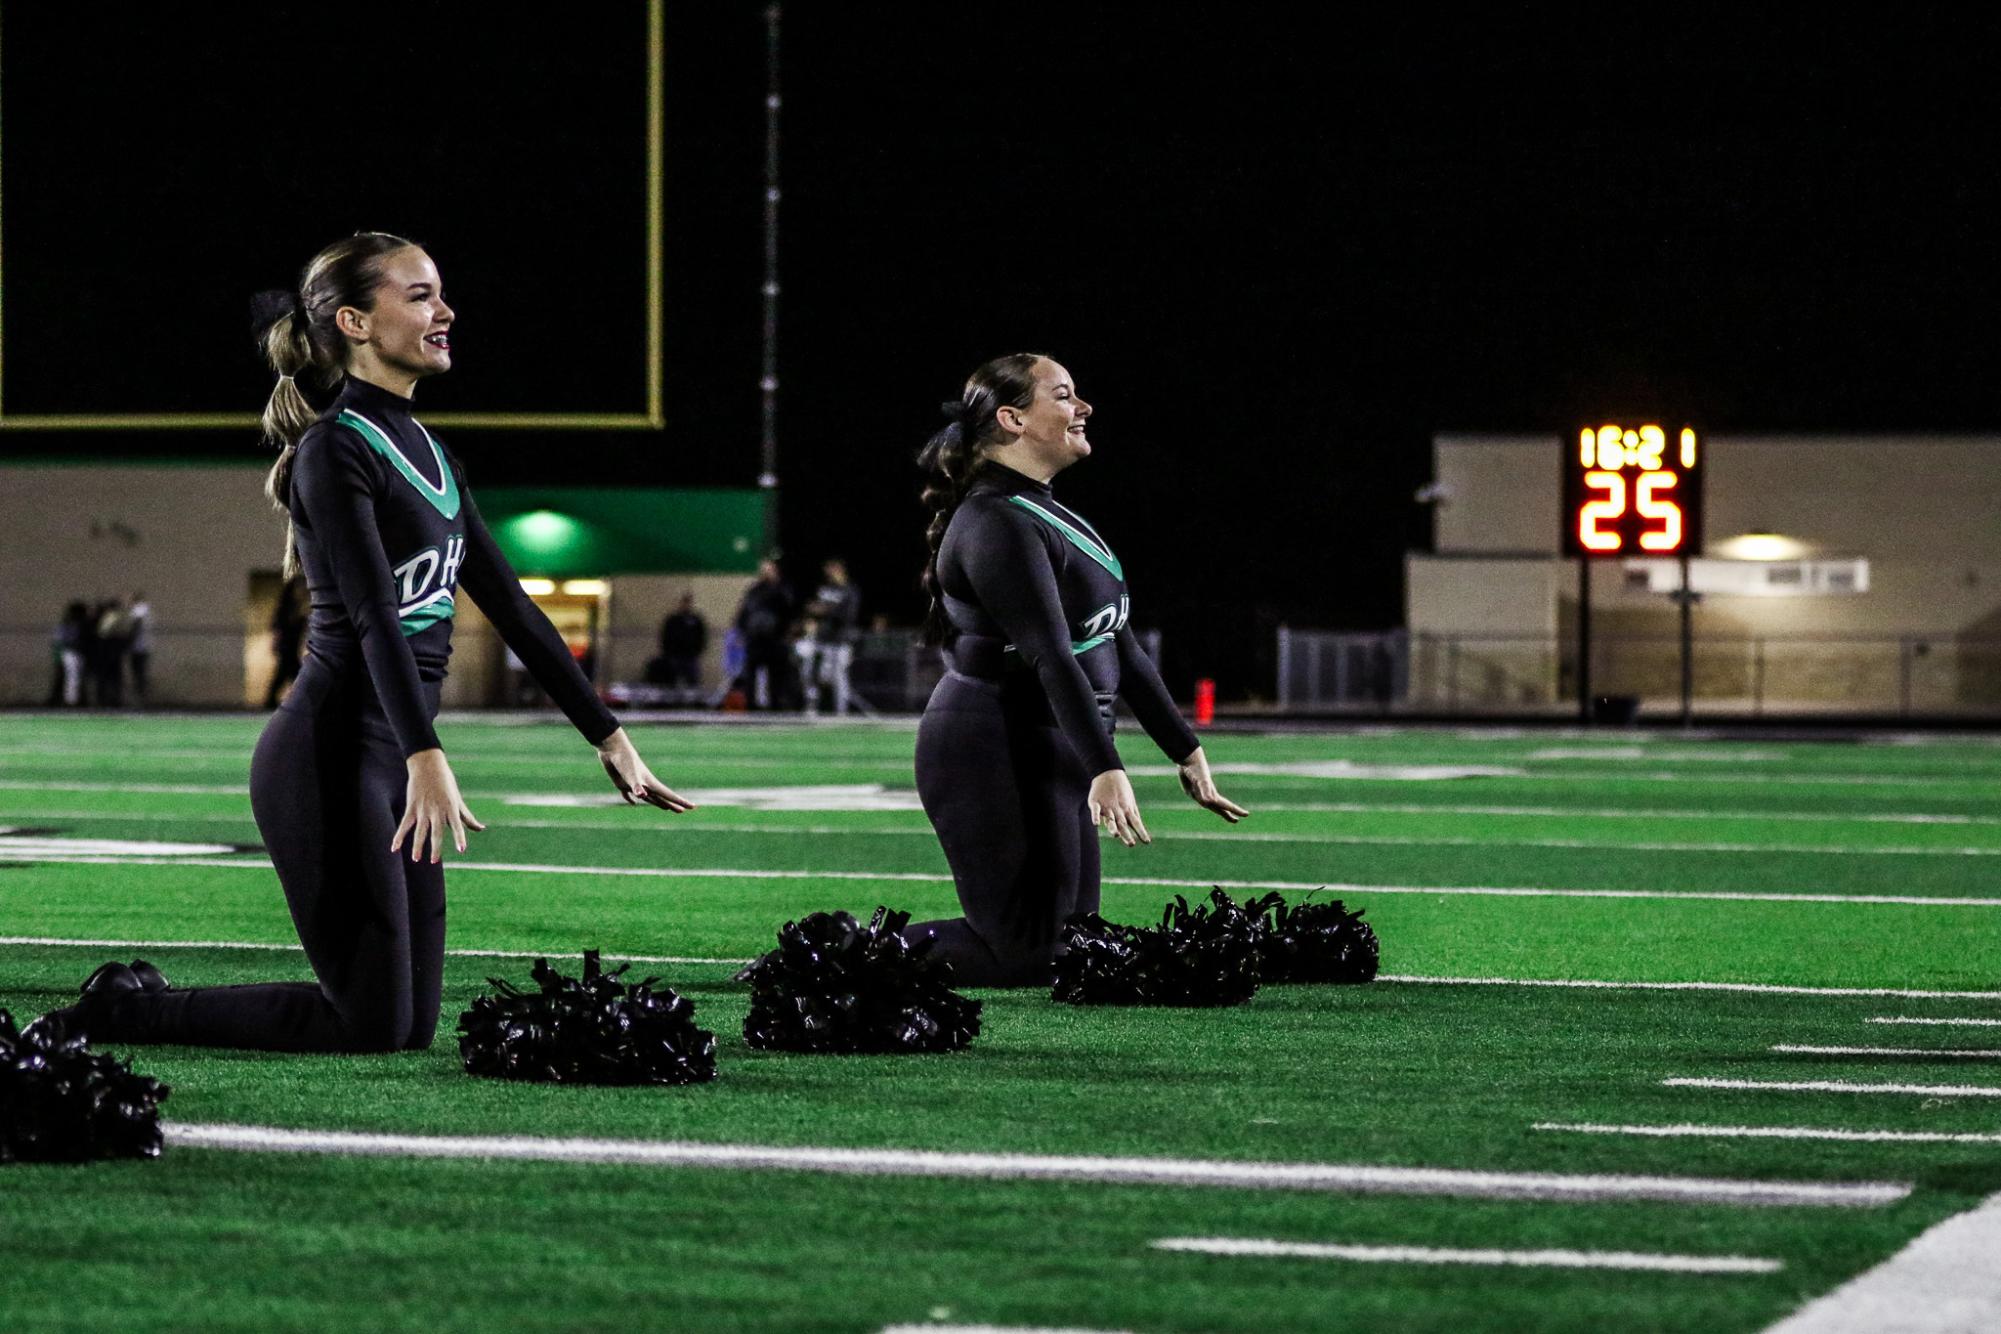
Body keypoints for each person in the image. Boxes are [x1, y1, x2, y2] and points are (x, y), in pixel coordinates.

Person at [33, 232, 693, 1053]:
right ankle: (129, 1010)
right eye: (418, 295)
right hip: (329, 755)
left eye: (439, 293)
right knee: (370, 1021)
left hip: (392, 758)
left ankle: (140, 1002)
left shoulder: (431, 451)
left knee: (407, 1026)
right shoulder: (334, 449)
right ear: (353, 321)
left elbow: (513, 608)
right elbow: (378, 616)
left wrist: (610, 736)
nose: (444, 310)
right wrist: (425, 754)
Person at [904, 354, 1248, 986]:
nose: (1082, 407)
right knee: (1023, 952)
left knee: (1068, 946)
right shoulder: (993, 522)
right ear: (1011, 420)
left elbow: (1120, 641)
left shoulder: (1047, 511)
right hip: (993, 745)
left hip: (1055, 742)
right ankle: (831, 952)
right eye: (1063, 396)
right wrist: (1106, 766)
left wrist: (1184, 747)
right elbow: (1049, 654)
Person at [797, 558, 862, 714]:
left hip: (839, 641)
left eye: (832, 570)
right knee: (809, 673)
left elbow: (847, 615)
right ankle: (811, 708)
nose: (829, 574)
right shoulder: (824, 589)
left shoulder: (849, 590)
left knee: (839, 678)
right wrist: (819, 611)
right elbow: (811, 609)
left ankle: (841, 712)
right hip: (821, 639)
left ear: (840, 570)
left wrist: (825, 610)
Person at [732, 558, 795, 709]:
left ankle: (776, 706)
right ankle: (751, 707)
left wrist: (787, 633)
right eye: (763, 569)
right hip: (755, 640)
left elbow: (789, 610)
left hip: (775, 639)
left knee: (776, 677)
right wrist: (740, 631)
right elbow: (744, 612)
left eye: (768, 569)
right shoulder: (754, 591)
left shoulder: (782, 589)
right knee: (750, 675)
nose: (765, 572)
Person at [264, 574, 308, 708]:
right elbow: (278, 628)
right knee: (296, 677)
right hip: (286, 649)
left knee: (289, 676)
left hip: (291, 649)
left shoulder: (295, 608)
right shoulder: (286, 609)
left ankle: (270, 702)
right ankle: (271, 703)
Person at [652, 593, 707, 689]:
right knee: (672, 681)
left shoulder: (696, 620)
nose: (686, 605)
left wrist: (697, 651)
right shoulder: (672, 620)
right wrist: (667, 652)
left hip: (691, 657)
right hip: (674, 656)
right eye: (684, 603)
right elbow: (665, 636)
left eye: (688, 603)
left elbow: (702, 636)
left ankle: (693, 701)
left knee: (693, 682)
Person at [126, 591, 153, 707]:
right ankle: (141, 697)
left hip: (138, 647)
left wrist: (128, 638)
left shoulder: (139, 610)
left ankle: (140, 699)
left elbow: (136, 623)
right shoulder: (146, 610)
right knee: (140, 673)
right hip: (143, 646)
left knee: (138, 673)